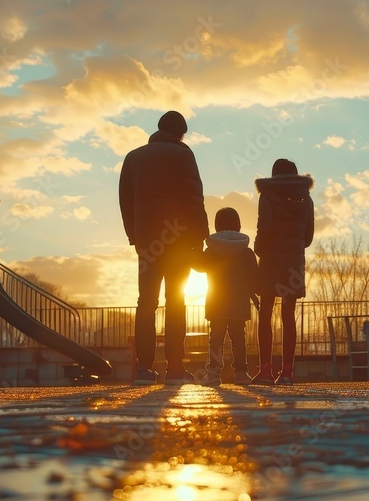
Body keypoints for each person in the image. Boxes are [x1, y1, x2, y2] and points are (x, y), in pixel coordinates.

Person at [119, 110, 209, 385]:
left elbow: (125, 199)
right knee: (176, 301)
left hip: (148, 240)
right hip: (179, 241)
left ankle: (143, 369)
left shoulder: (133, 157)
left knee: (146, 302)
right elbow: (194, 196)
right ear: (180, 133)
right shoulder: (184, 155)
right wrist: (200, 236)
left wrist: (135, 236)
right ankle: (175, 368)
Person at [252, 158, 314, 385]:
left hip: (270, 260)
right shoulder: (306, 198)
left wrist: (260, 249)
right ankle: (287, 372)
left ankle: (265, 370)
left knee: (265, 313)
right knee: (288, 315)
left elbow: (264, 227)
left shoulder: (266, 195)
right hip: (294, 262)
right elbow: (308, 237)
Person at [192, 207, 258, 386]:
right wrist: (254, 295)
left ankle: (213, 373)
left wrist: (195, 247)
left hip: (217, 301)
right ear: (238, 225)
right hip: (239, 302)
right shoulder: (246, 252)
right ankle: (242, 373)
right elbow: (254, 276)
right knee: (238, 337)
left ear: (217, 226)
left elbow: (198, 265)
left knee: (216, 338)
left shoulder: (212, 250)